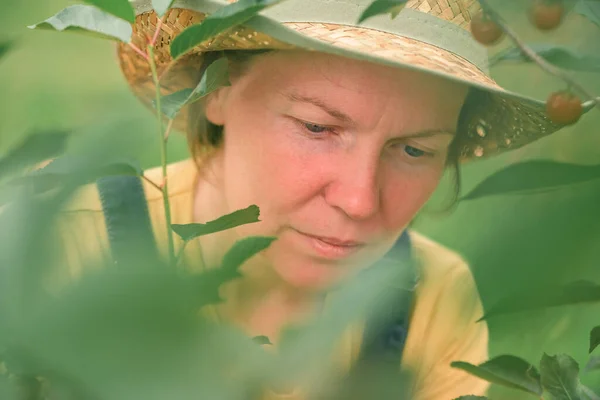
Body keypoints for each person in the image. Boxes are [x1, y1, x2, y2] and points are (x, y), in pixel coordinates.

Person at [49, 0, 576, 399]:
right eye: (318, 127)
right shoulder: (61, 254)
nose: (359, 200)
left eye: (414, 149)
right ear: (214, 93)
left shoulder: (430, 299)